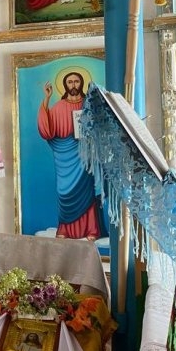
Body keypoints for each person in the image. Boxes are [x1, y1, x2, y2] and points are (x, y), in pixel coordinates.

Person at [37, 71, 101, 241]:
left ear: (81, 83)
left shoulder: (89, 104)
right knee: (64, 192)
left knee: (86, 192)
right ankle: (65, 229)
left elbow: (99, 126)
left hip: (84, 155)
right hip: (64, 157)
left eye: (76, 81)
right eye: (70, 82)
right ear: (65, 85)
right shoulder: (58, 107)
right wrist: (47, 99)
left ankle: (91, 229)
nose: (73, 85)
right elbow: (47, 131)